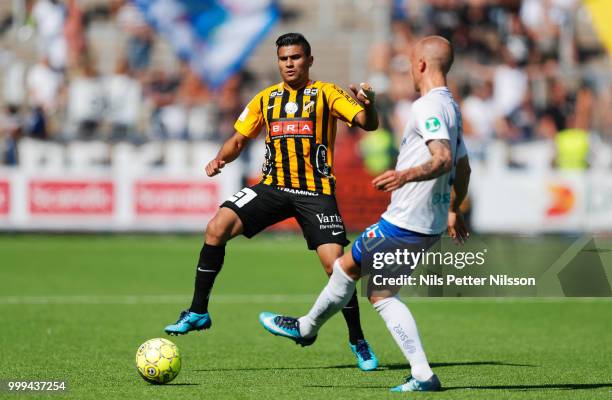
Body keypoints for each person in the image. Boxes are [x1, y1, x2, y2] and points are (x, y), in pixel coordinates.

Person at [259, 36, 471, 392]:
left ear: (420, 65)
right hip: (427, 222)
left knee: (351, 272)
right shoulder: (451, 106)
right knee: (374, 287)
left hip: (406, 220)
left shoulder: (427, 108)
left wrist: (404, 175)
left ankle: (307, 327)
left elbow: (445, 160)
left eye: (408, 64)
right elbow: (463, 168)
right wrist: (453, 210)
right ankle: (419, 373)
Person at [164, 33, 381, 371]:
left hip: (315, 192)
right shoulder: (265, 99)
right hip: (272, 187)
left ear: (309, 60)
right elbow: (239, 139)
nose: (289, 63)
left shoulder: (327, 93)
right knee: (216, 227)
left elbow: (368, 123)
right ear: (278, 62)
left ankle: (358, 341)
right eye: (284, 59)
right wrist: (220, 159)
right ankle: (197, 312)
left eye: (296, 57)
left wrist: (369, 104)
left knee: (336, 267)